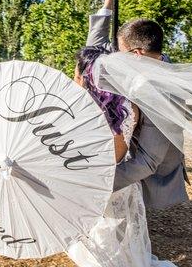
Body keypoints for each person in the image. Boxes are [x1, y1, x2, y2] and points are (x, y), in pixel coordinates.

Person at [67, 46, 175, 267]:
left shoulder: (82, 111)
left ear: (86, 75)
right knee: (123, 236)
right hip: (123, 179)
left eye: (76, 74)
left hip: (93, 179)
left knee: (100, 237)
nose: (73, 78)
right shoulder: (129, 105)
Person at [87, 0, 188, 209]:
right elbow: (94, 51)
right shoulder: (136, 61)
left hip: (136, 170)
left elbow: (147, 161)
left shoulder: (166, 93)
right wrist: (108, 2)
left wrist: (94, 184)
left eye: (120, 53)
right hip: (117, 154)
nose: (115, 57)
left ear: (137, 54)